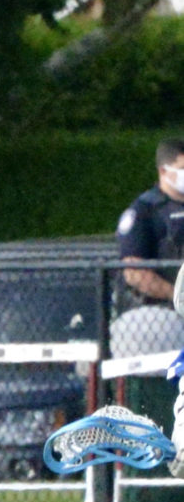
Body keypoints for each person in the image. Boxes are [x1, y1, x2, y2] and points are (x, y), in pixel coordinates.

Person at [111, 141, 184, 363]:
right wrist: (177, 296)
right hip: (156, 318)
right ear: (164, 171)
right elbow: (134, 272)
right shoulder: (144, 212)